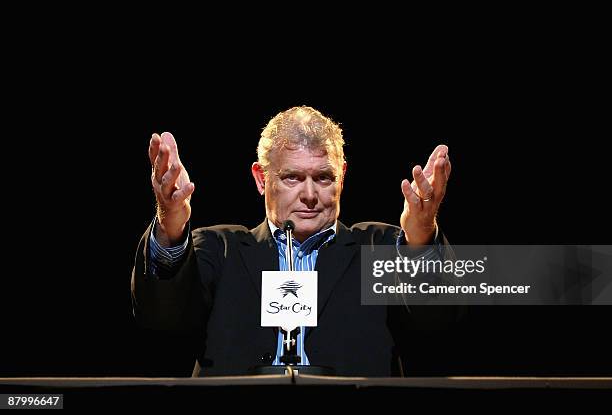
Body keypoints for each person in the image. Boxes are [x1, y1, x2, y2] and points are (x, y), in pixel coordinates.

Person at [131, 106, 456, 377]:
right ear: (261, 178)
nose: (310, 195)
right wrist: (170, 220)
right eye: (293, 178)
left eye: (324, 177)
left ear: (341, 176)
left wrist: (422, 234)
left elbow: (438, 327)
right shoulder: (220, 250)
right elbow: (162, 321)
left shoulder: (379, 247)